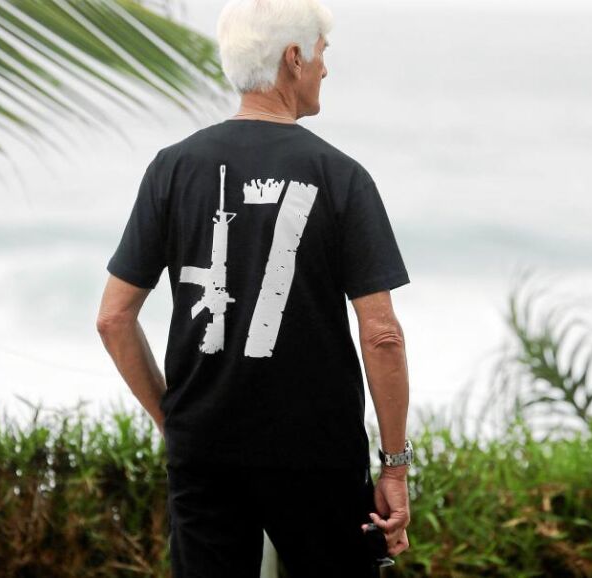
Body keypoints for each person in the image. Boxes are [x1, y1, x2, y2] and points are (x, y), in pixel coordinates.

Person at [96, 0, 412, 575]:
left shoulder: (172, 168)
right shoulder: (340, 176)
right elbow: (382, 335)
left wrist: (174, 421)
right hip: (317, 453)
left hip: (205, 449)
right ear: (294, 59)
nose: (325, 68)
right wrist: (394, 466)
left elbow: (113, 318)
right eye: (321, 54)